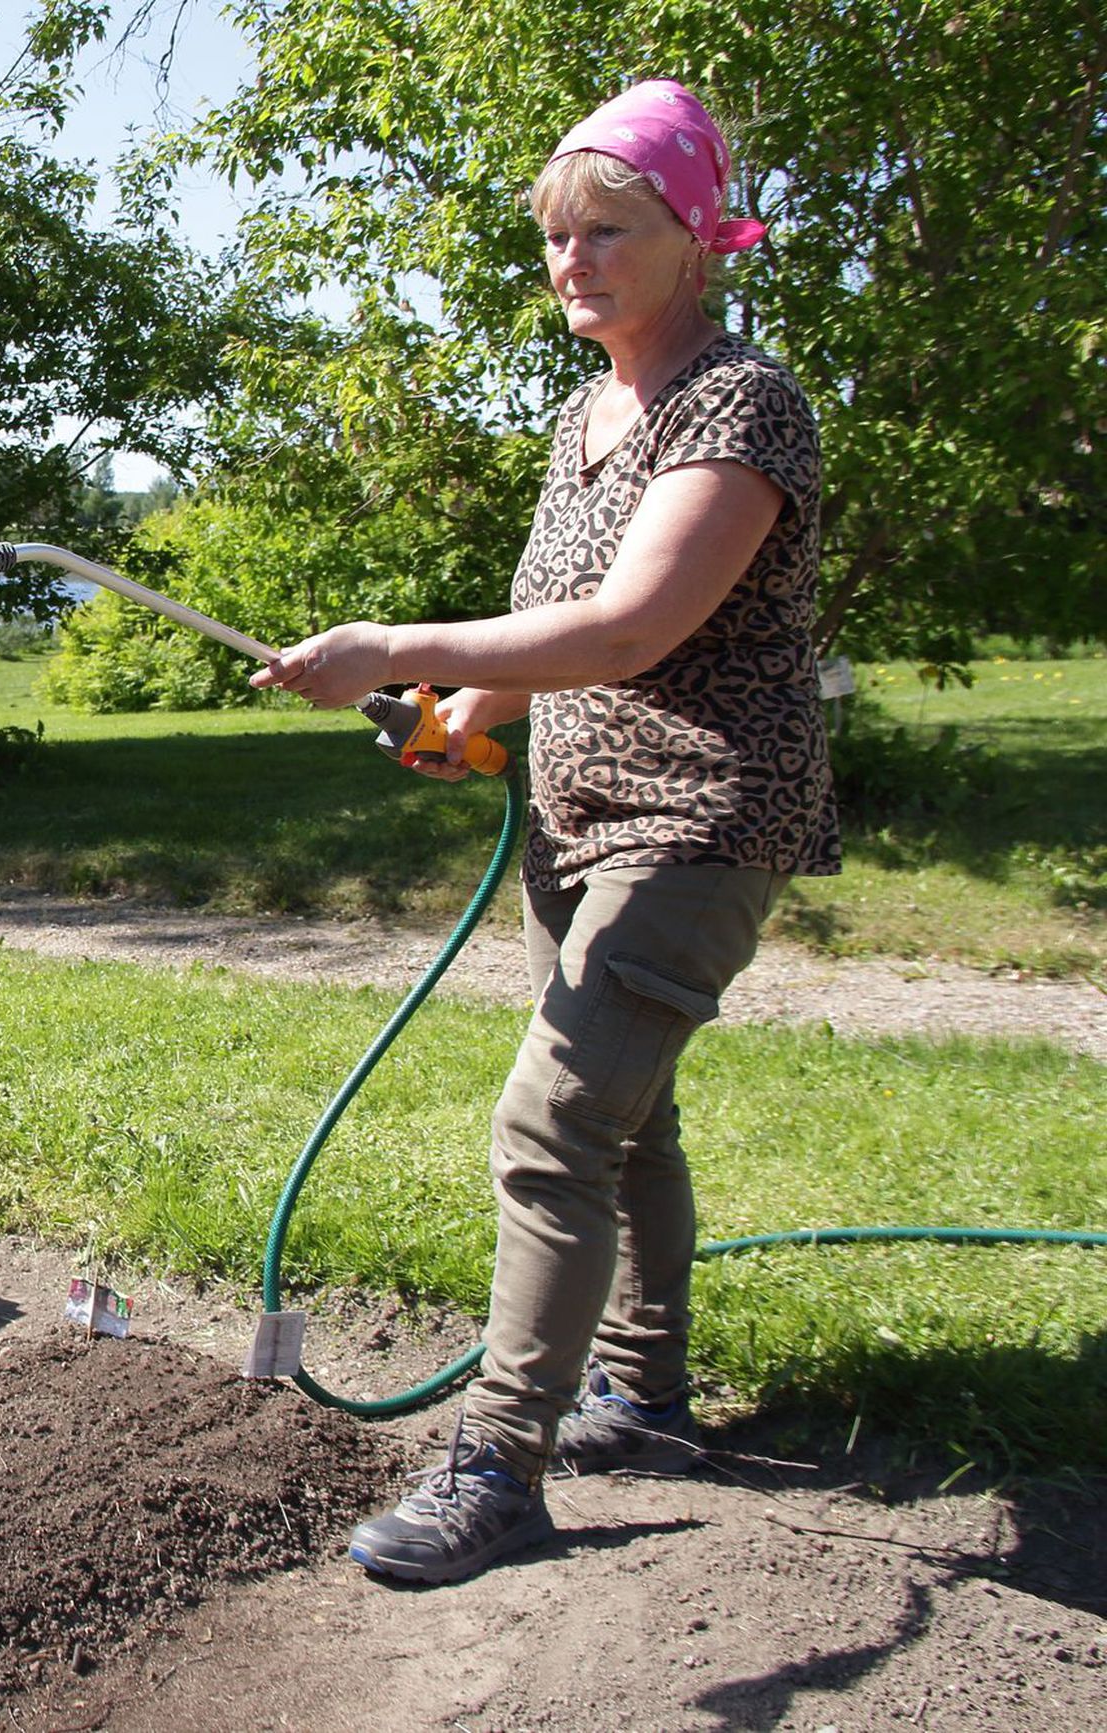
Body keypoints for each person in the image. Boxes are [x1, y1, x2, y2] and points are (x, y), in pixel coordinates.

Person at [247, 78, 841, 1585]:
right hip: (577, 819)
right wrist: (473, 714)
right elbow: (551, 633)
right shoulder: (586, 412)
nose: (573, 262)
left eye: (608, 231)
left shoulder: (740, 404)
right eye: (558, 238)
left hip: (702, 820)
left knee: (557, 1120)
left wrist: (389, 644)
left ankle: (499, 1463)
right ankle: (639, 1390)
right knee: (630, 1117)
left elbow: (637, 625)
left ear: (696, 239)